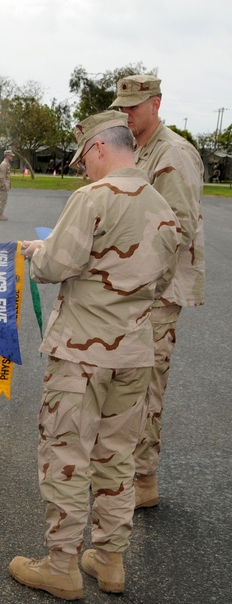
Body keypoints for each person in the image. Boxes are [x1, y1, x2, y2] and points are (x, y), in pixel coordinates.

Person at [9, 111, 179, 600]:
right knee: (117, 456)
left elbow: (57, 265)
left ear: (100, 148)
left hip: (83, 352)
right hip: (135, 352)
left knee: (66, 454)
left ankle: (61, 565)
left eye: (84, 156)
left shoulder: (93, 197)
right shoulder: (162, 206)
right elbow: (160, 281)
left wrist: (37, 254)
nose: (82, 166)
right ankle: (109, 560)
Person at [109, 75, 206, 509]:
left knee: (146, 387)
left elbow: (177, 230)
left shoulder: (174, 154)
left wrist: (141, 284)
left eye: (135, 105)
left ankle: (143, 481)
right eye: (122, 106)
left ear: (157, 103)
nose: (127, 113)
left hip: (158, 293)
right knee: (130, 384)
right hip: (137, 289)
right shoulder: (141, 150)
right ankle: (128, 476)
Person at [0, 149, 13, 221]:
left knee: (4, 200)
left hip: (4, 186)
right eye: (11, 156)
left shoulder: (6, 164)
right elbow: (2, 176)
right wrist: (3, 185)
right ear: (7, 156)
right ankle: (0, 215)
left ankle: (1, 214)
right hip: (2, 186)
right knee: (2, 200)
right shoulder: (4, 164)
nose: (12, 157)